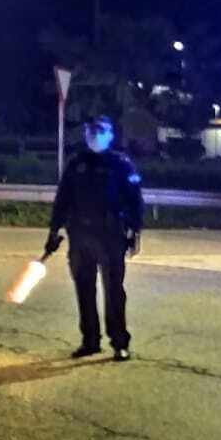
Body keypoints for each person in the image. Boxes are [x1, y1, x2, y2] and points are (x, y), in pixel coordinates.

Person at [45, 114, 144, 361]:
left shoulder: (121, 164)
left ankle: (119, 342)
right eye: (90, 129)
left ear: (110, 134)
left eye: (99, 130)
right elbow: (62, 199)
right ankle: (89, 340)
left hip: (111, 236)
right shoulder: (76, 163)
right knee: (84, 290)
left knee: (113, 292)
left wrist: (135, 231)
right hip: (80, 235)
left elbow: (135, 200)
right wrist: (53, 231)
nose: (93, 134)